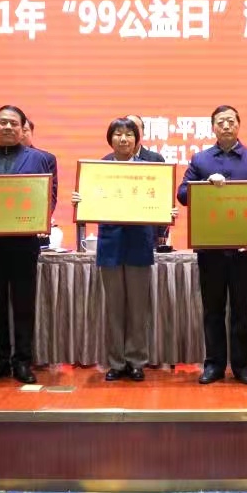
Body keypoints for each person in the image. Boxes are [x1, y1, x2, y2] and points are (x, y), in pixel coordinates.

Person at [73, 117, 175, 382]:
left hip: (139, 242)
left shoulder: (149, 169)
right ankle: (116, 362)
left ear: (136, 140)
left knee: (138, 308)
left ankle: (136, 361)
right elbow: (90, 203)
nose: (123, 138)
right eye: (118, 134)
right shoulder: (99, 168)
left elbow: (161, 201)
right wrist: (80, 200)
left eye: (129, 134)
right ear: (110, 139)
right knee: (114, 308)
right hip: (111, 244)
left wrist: (166, 210)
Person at [177, 105, 247, 385]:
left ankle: (243, 366)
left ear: (239, 125)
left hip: (245, 250)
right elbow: (182, 193)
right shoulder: (201, 160)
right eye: (221, 122)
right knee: (213, 310)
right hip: (211, 250)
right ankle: (214, 365)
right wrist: (203, 184)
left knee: (243, 309)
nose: (226, 126)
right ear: (213, 128)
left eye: (231, 121)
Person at [0, 105, 58, 384]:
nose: (8, 127)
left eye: (13, 123)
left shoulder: (41, 159)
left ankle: (22, 362)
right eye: (3, 123)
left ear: (22, 128)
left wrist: (37, 218)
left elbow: (50, 198)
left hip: (23, 243)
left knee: (23, 304)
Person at [126, 114, 170, 246]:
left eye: (135, 128)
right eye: (128, 128)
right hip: (116, 231)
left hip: (149, 232)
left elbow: (164, 196)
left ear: (143, 132)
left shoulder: (156, 160)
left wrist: (162, 232)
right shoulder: (107, 161)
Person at [23, 118, 59, 247]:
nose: (21, 133)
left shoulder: (45, 158)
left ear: (31, 132)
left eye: (25, 130)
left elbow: (51, 194)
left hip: (36, 225)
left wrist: (44, 219)